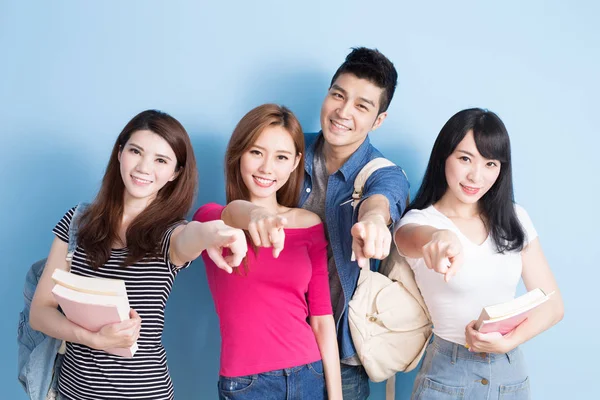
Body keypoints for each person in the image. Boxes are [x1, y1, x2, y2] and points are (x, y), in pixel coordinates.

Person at [29, 110, 247, 400]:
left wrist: (217, 234)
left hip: (143, 393)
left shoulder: (170, 234)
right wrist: (93, 339)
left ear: (175, 173)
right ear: (120, 153)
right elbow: (40, 313)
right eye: (136, 151)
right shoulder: (77, 222)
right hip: (72, 392)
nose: (144, 167)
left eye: (161, 160)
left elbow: (193, 235)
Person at [394, 108, 564, 399]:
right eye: (464, 158)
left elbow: (553, 306)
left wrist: (508, 342)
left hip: (510, 376)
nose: (476, 175)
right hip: (448, 375)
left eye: (490, 164)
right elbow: (413, 239)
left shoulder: (515, 218)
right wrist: (440, 238)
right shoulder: (418, 223)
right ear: (443, 157)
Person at [194, 104, 343, 399]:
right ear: (239, 153)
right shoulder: (211, 220)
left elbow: (322, 319)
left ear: (295, 162)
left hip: (309, 374)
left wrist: (336, 396)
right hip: (246, 384)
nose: (266, 168)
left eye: (281, 157)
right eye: (256, 152)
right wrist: (254, 216)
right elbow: (231, 214)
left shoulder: (310, 225)